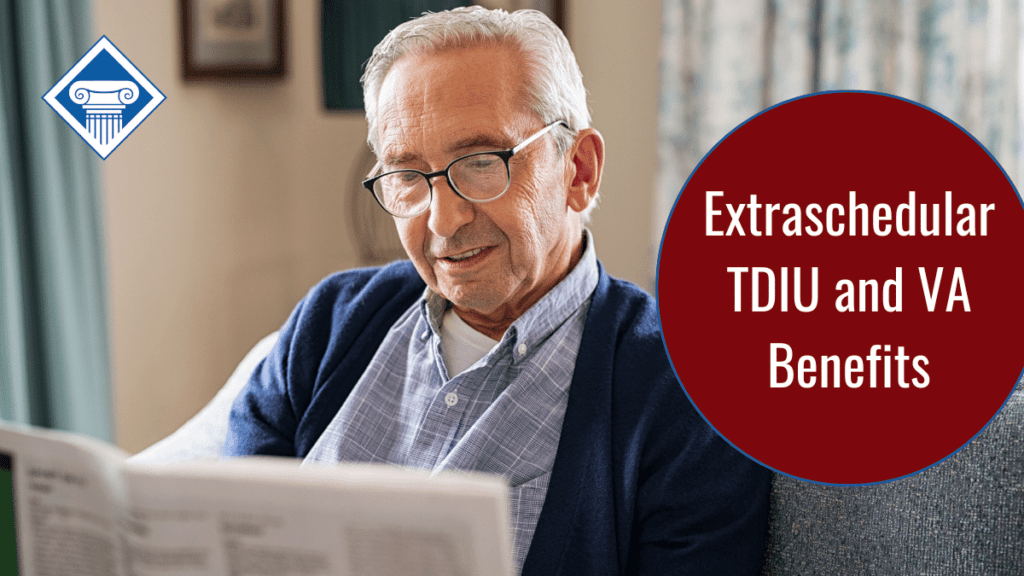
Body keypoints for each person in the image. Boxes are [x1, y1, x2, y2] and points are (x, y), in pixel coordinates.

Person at [224, 6, 770, 575]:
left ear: (578, 170)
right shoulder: (330, 322)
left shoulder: (688, 394)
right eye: (409, 177)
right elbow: (222, 531)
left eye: (481, 163)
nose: (442, 220)